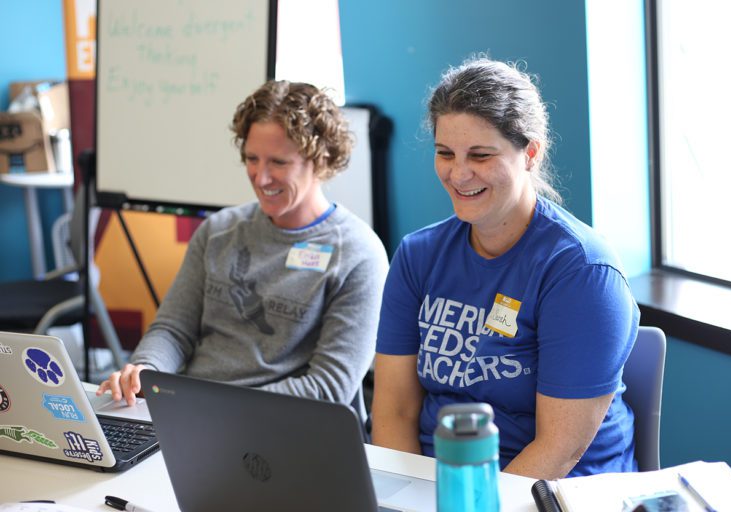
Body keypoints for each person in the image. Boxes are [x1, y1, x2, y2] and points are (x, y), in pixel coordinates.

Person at [371, 57, 639, 479]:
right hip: (438, 486)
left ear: (530, 152)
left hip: (549, 490)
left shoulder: (582, 271)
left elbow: (559, 450)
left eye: (480, 155)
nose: (459, 173)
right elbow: (395, 412)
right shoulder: (417, 255)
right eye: (445, 153)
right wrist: (406, 498)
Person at [97, 80, 389, 422]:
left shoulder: (358, 254)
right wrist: (146, 370)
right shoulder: (220, 230)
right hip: (193, 415)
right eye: (251, 158)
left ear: (320, 159)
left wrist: (212, 408)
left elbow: (329, 389)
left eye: (278, 162)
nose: (260, 177)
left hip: (280, 428)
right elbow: (173, 330)